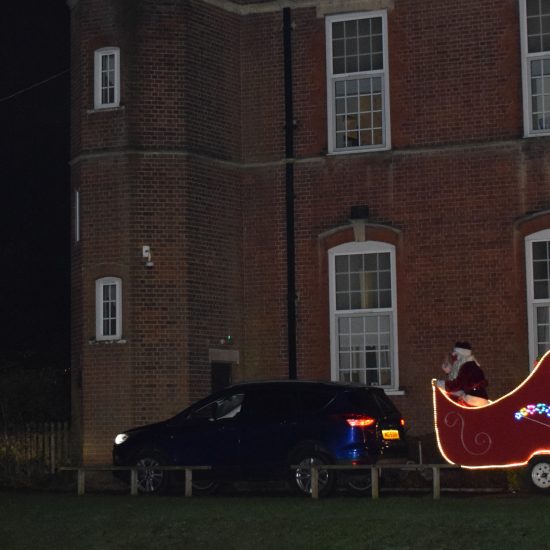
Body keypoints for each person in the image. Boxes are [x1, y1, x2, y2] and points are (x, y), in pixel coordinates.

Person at [436, 342, 489, 406]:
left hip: (474, 399)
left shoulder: (468, 366)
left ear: (461, 355)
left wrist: (440, 384)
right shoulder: (469, 365)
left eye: (456, 355)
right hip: (475, 397)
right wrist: (449, 371)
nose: (455, 359)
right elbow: (462, 382)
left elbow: (458, 384)